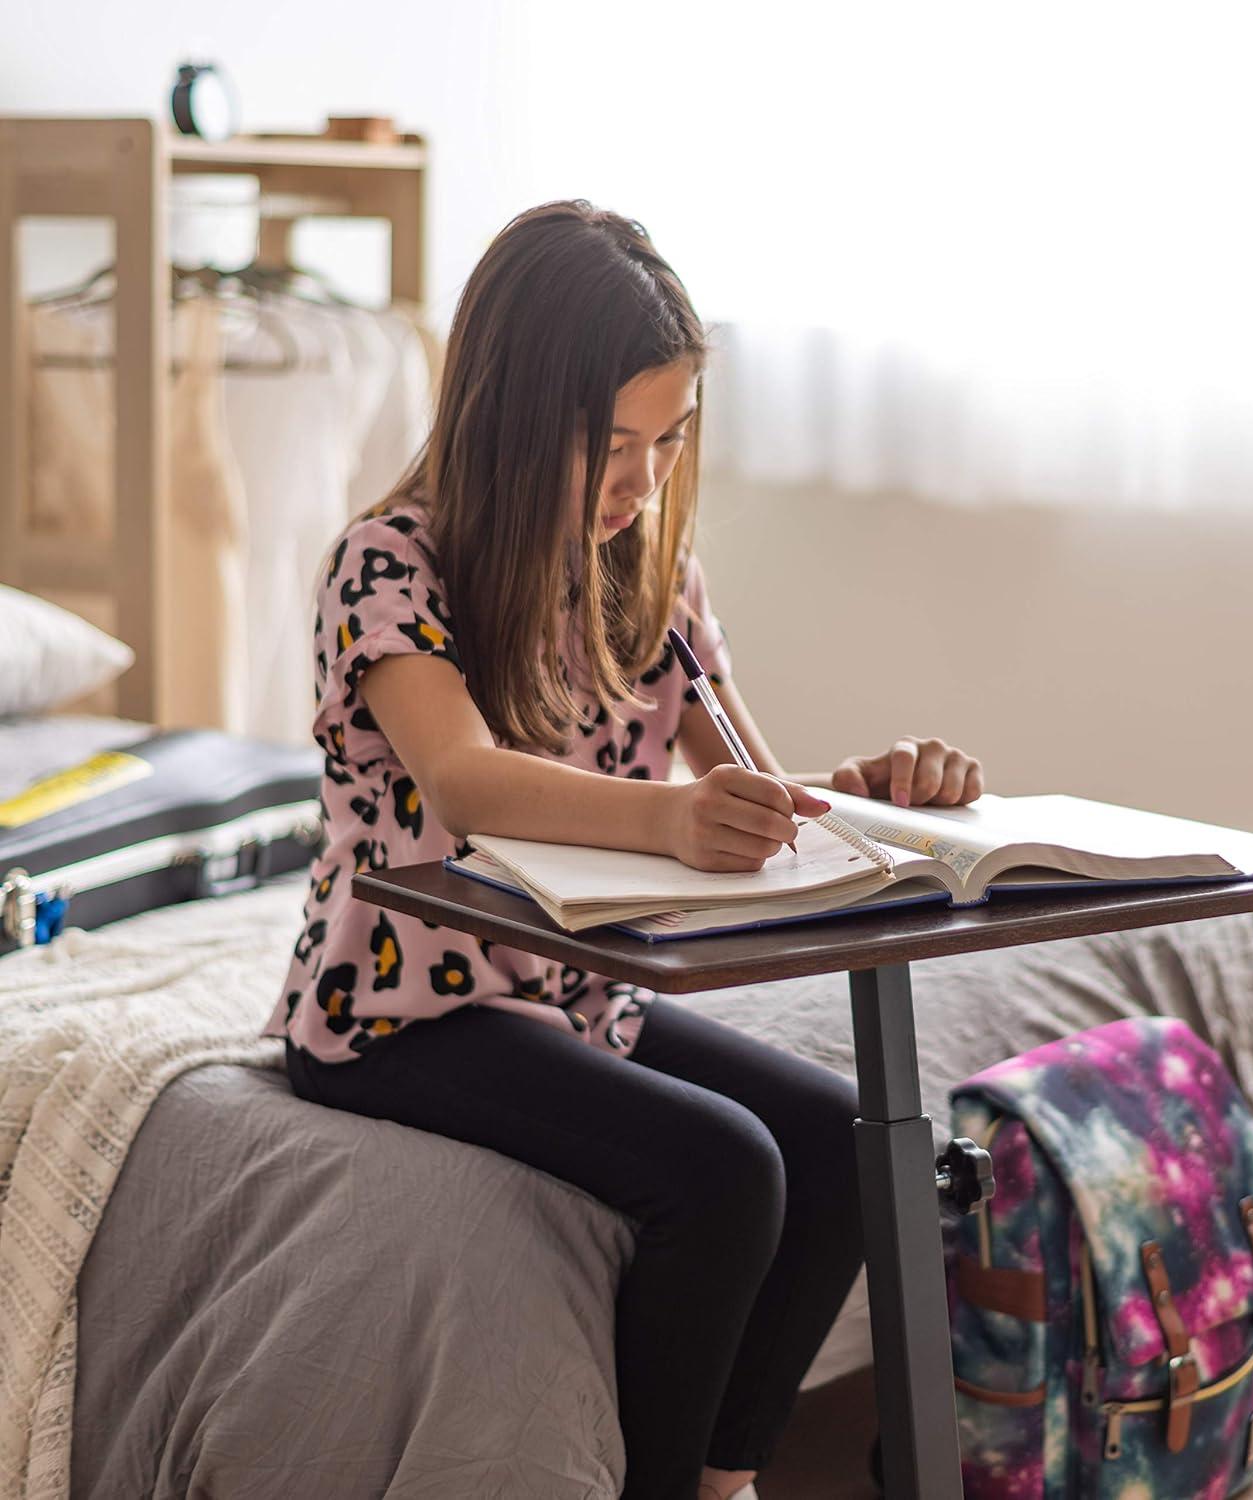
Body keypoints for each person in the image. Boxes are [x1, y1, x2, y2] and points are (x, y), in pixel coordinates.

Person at [259, 199, 985, 1500]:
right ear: (509, 415)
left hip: (579, 997)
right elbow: (466, 780)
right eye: (609, 445)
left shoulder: (653, 582)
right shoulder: (390, 567)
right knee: (724, 1171)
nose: (640, 484)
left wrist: (877, 798)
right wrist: (670, 818)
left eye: (668, 442)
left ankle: (722, 1478)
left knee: (836, 1137)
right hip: (398, 1017)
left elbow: (755, 794)